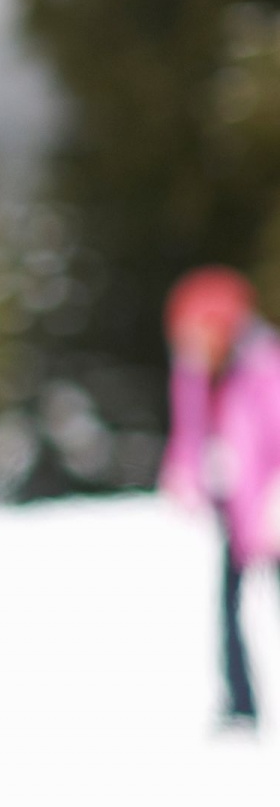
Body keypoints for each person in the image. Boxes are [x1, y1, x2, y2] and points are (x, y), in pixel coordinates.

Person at [160, 266, 280, 730]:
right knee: (227, 607)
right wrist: (184, 475)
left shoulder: (265, 367)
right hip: (235, 511)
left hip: (270, 512)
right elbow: (189, 432)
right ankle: (240, 704)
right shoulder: (197, 372)